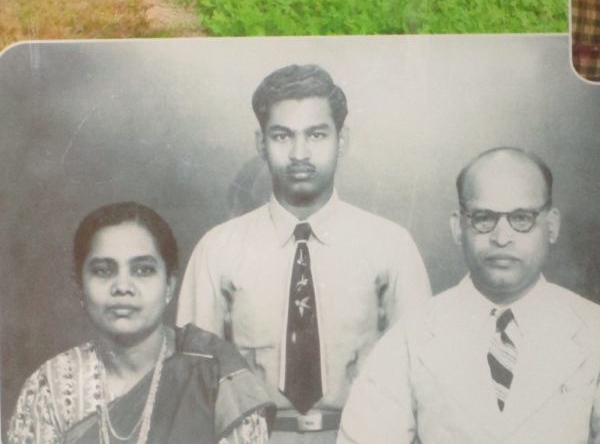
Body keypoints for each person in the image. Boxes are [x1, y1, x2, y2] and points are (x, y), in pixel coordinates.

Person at [176, 64, 432, 444]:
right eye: (282, 136)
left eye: (316, 134)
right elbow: (192, 383)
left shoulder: (390, 245)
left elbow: (423, 376)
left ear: (342, 140)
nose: (299, 153)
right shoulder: (219, 249)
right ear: (260, 143)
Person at [338, 147, 600, 444]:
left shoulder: (594, 332)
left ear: (551, 225)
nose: (502, 237)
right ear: (458, 227)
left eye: (522, 218)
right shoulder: (408, 340)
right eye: (483, 218)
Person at [8, 202, 276, 444]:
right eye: (103, 271)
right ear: (80, 288)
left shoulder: (215, 376)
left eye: (143, 270)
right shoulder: (51, 385)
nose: (123, 286)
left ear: (169, 286)